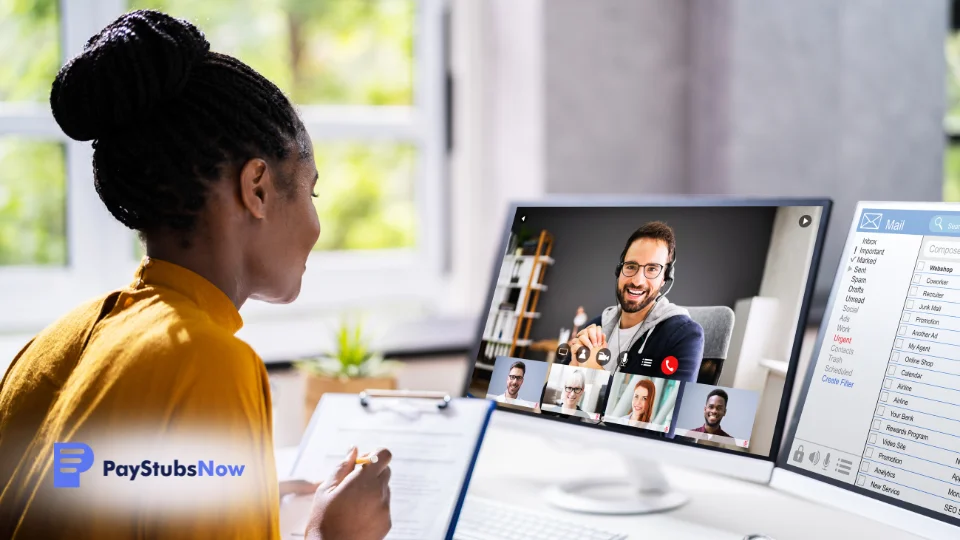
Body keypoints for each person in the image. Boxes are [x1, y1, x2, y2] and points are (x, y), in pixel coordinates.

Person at [0, 10, 391, 540]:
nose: (317, 225)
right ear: (256, 188)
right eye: (310, 191)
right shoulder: (210, 362)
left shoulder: (54, 343)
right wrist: (330, 534)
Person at [561, 221, 704, 382]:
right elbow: (549, 397)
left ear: (665, 278)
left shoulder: (684, 336)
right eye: (631, 266)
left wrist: (594, 371)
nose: (637, 281)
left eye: (652, 269)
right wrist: (573, 366)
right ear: (619, 270)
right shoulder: (596, 327)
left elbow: (666, 406)